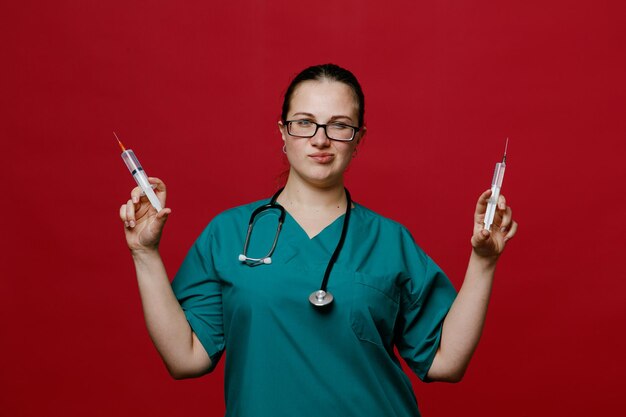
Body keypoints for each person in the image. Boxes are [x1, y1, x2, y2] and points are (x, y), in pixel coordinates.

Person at [119, 63, 517, 417]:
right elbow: (183, 358)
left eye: (339, 125)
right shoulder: (229, 233)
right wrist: (144, 252)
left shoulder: (390, 241)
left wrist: (483, 261)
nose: (320, 139)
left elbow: (446, 363)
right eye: (304, 122)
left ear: (358, 139)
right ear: (283, 132)